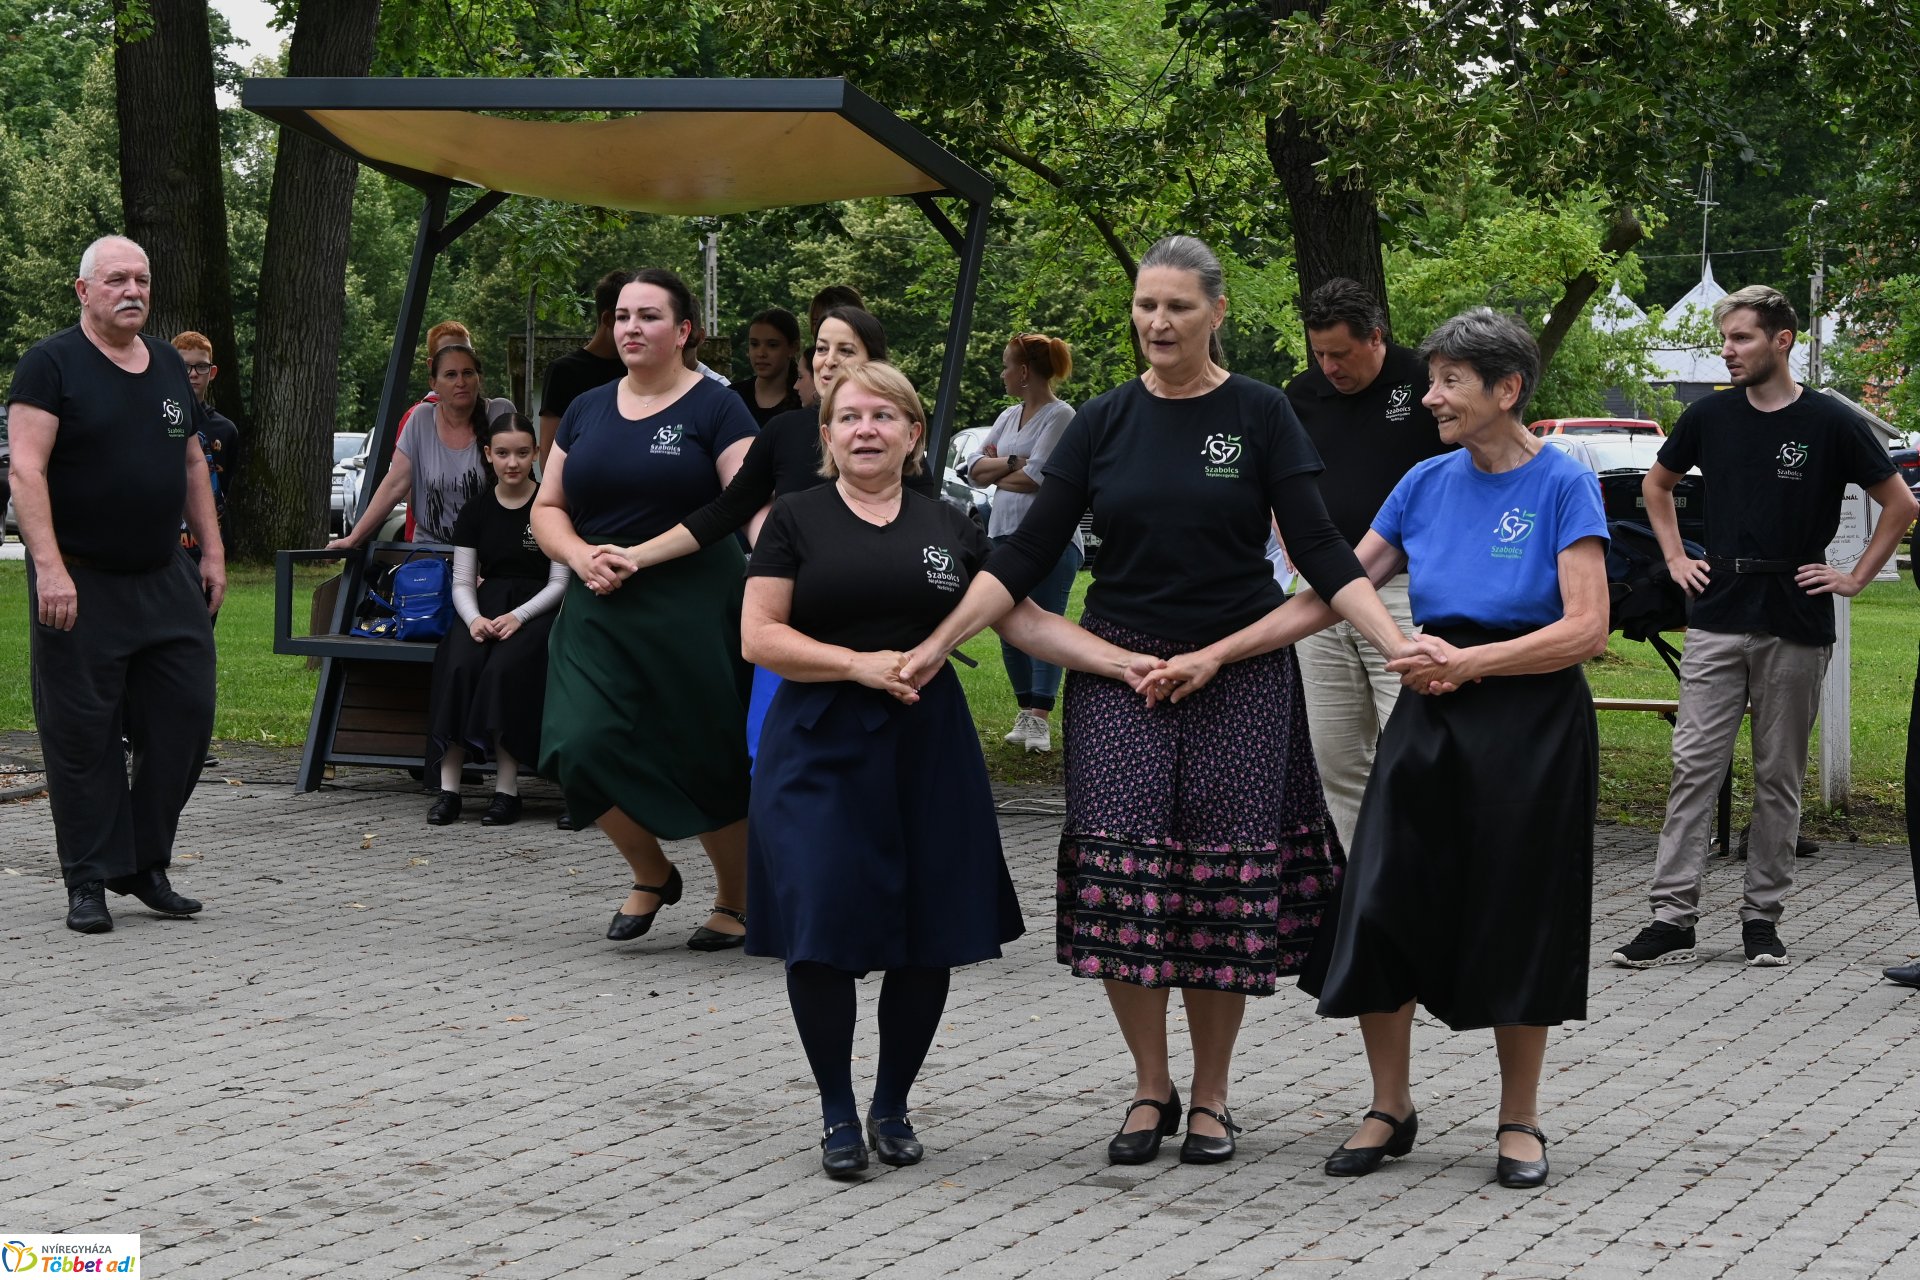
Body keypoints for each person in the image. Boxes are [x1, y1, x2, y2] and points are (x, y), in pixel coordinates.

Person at [902, 235, 1412, 1166]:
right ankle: (1150, 1087)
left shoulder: (1261, 415)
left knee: (1217, 895)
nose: (1158, 322)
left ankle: (1213, 1096)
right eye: (1145, 305)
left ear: (1217, 312)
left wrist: (1396, 645)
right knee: (1126, 890)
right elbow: (1018, 560)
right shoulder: (1101, 421)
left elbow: (1323, 553)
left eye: (1178, 306)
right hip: (1119, 676)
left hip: (1241, 677)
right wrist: (938, 643)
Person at [1215, 309, 1609, 1191]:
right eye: (1430, 380)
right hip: (1430, 718)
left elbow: (1586, 628)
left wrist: (1470, 662)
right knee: (1381, 900)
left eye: (1448, 382)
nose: (1428, 396)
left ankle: (1519, 1119)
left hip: (1531, 725)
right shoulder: (1422, 482)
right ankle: (1390, 1107)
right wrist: (1219, 652)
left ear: (1507, 390)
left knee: (1517, 912)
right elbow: (1333, 589)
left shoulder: (1564, 484)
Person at [742, 360, 1160, 1176]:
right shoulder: (793, 519)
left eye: (883, 417)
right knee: (820, 927)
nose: (865, 430)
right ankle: (835, 1111)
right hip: (820, 743)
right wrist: (858, 666)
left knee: (924, 931)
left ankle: (891, 1105)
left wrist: (1123, 665)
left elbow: (1028, 621)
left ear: (912, 434)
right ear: (826, 436)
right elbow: (760, 637)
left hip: (925, 746)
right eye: (849, 418)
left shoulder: (950, 525)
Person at [1610, 285, 1915, 971]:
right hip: (1718, 611)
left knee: (1778, 775)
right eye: (1724, 339)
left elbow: (1898, 503)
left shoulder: (1831, 421)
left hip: (1796, 615)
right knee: (1694, 766)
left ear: (1782, 340)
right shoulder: (1710, 416)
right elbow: (1655, 487)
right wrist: (1675, 557)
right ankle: (1671, 916)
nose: (1728, 351)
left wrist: (1855, 577)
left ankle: (1761, 919)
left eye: (1741, 338)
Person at [589, 307, 931, 762]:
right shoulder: (785, 430)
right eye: (822, 348)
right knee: (775, 758)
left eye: (845, 350)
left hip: (876, 631)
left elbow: (930, 537)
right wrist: (636, 557)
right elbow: (726, 510)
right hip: (793, 631)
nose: (828, 360)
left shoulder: (897, 445)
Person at [533, 268, 758, 952]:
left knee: (704, 752)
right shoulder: (588, 407)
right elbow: (547, 507)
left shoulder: (718, 409)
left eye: (649, 316)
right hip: (599, 600)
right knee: (577, 744)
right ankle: (653, 872)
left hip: (693, 601)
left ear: (683, 331)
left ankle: (736, 899)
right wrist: (578, 555)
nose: (631, 327)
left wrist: (641, 554)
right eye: (623, 316)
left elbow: (739, 503)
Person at [6, 235, 220, 933]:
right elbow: (27, 472)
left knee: (185, 718)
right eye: (117, 280)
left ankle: (143, 861)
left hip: (163, 576)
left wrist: (212, 554)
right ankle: (90, 879)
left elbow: (191, 463)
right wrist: (50, 568)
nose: (132, 290)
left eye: (142, 280)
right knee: (83, 738)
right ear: (84, 291)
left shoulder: (163, 362)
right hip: (81, 582)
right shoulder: (50, 365)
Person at [1284, 279, 1449, 852]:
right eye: (1319, 352)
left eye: (1341, 353)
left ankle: (1421, 883)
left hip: (1407, 592)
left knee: (1411, 746)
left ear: (1376, 337)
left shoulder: (1428, 380)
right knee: (1335, 757)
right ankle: (1360, 892)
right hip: (1321, 595)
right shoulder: (1299, 396)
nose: (1328, 366)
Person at [424, 413, 568, 827]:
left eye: (523, 453)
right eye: (502, 453)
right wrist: (472, 619)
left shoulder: (550, 507)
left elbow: (560, 582)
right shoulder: (476, 511)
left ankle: (507, 791)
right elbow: (463, 580)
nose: (512, 463)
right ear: (488, 455)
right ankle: (448, 789)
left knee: (506, 669)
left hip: (535, 610)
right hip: (483, 609)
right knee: (460, 665)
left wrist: (518, 617)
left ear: (536, 454)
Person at [965, 332, 1082, 753]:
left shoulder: (1060, 415)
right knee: (1008, 626)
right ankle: (1025, 713)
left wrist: (1001, 472)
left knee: (1046, 624)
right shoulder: (1008, 416)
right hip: (1002, 535)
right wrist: (1013, 463)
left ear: (1026, 371)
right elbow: (972, 469)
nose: (1002, 373)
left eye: (1006, 365)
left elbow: (1040, 478)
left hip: (1051, 539)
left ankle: (1040, 719)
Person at [330, 343, 515, 549]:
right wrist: (352, 539)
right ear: (433, 383)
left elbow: (522, 482)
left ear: (478, 378)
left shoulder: (501, 413)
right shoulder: (421, 418)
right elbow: (394, 485)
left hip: (492, 552)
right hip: (431, 554)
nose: (461, 382)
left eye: (468, 373)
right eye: (451, 375)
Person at [537, 271, 630, 474]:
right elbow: (549, 458)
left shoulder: (637, 370)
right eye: (627, 317)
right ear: (608, 319)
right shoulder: (563, 372)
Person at [170, 330, 242, 564]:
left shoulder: (226, 429)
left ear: (212, 373)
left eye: (201, 367)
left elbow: (225, 484)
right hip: (169, 539)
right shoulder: (160, 420)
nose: (192, 374)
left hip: (207, 539)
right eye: (185, 367)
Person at [731, 306, 803, 427]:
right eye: (754, 344)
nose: (761, 353)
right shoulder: (732, 397)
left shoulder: (805, 399)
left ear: (793, 347)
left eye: (772, 345)